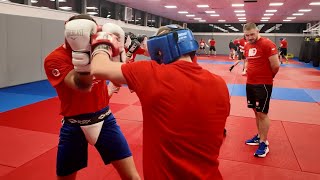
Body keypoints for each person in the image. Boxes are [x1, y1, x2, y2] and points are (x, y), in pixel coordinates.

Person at [75, 24, 230, 179]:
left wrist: (102, 39)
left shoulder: (151, 73)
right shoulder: (220, 84)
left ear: (161, 47)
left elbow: (99, 67)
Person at [43, 14, 140, 180]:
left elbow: (118, 79)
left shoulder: (100, 51)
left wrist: (122, 55)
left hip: (105, 120)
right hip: (73, 126)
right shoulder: (54, 59)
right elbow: (82, 86)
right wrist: (83, 56)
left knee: (132, 177)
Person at [242, 22, 280, 158]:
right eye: (247, 35)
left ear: (257, 31)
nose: (250, 37)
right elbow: (247, 60)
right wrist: (246, 70)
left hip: (263, 84)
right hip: (250, 83)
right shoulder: (247, 45)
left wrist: (268, 78)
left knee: (262, 113)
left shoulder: (267, 44)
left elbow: (276, 65)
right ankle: (259, 136)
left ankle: (264, 143)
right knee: (256, 112)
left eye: (252, 34)